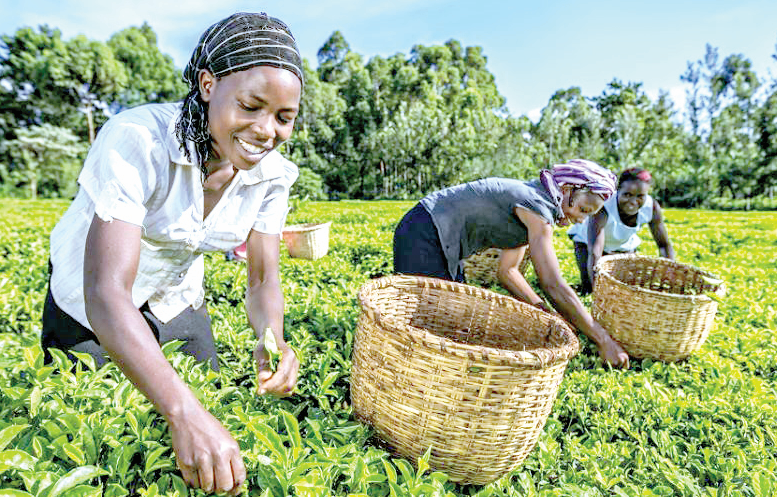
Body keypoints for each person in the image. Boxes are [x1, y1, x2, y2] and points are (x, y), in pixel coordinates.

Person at [41, 12, 304, 495]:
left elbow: (263, 278)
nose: (266, 131)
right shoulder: (137, 139)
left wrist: (273, 340)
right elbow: (106, 293)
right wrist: (182, 412)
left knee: (213, 416)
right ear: (208, 85)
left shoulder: (274, 176)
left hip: (175, 296)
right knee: (99, 429)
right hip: (89, 299)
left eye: (284, 118)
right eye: (250, 106)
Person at [393, 159, 630, 368]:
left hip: (442, 245)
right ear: (567, 189)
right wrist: (603, 339)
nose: (580, 218)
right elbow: (553, 284)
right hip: (424, 232)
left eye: (588, 215)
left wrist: (547, 314)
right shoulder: (537, 206)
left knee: (455, 322)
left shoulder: (535, 205)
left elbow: (508, 272)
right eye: (583, 209)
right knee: (434, 326)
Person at [568, 167, 675, 295]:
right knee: (590, 288)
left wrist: (669, 278)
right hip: (587, 245)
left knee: (627, 290)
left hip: (622, 246)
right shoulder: (604, 207)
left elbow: (664, 245)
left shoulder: (651, 207)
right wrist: (599, 293)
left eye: (640, 196)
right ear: (617, 190)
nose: (633, 201)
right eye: (627, 194)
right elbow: (595, 252)